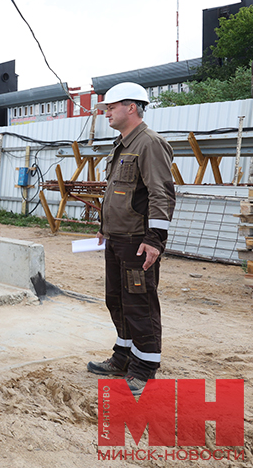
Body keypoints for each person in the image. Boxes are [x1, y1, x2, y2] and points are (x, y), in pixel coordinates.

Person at [87, 82, 175, 396]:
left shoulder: (149, 144)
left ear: (131, 108)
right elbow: (118, 193)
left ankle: (145, 368)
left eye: (111, 107)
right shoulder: (122, 144)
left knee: (139, 304)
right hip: (117, 239)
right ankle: (123, 356)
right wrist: (104, 226)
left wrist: (154, 239)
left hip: (138, 242)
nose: (106, 113)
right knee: (117, 300)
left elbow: (160, 194)